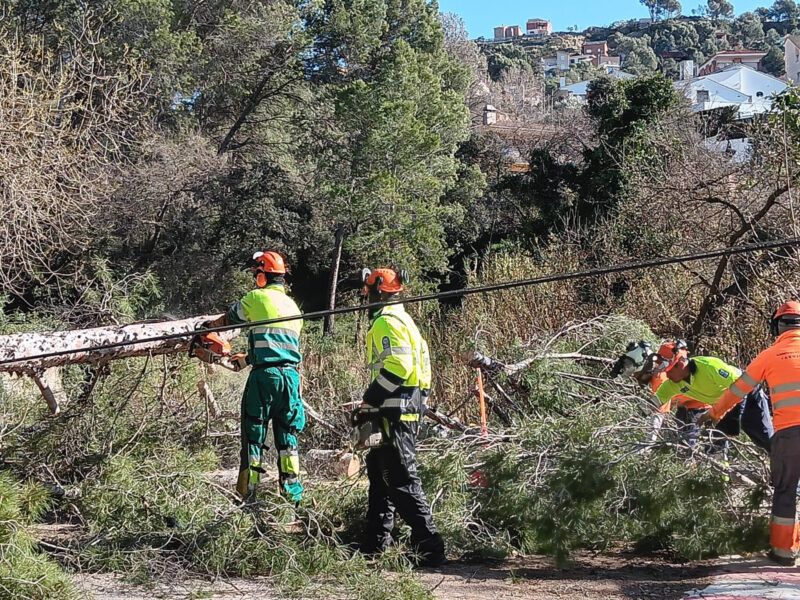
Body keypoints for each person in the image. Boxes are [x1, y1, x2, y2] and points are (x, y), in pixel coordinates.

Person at [351, 267, 446, 567]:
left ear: (378, 292)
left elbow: (399, 367)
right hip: (401, 409)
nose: (365, 302)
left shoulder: (386, 322)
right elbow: (425, 368)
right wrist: (419, 402)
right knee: (381, 480)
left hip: (395, 411)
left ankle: (430, 548)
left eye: (368, 295)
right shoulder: (406, 321)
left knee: (403, 480)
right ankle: (375, 544)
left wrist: (370, 399)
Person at [699, 301, 800, 566]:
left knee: (786, 491)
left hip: (788, 435)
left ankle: (783, 552)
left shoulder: (769, 355)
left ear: (777, 326)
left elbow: (738, 389)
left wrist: (714, 414)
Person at [206, 251, 305, 503]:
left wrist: (207, 331)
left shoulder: (256, 297)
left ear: (262, 276)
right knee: (288, 437)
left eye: (256, 274)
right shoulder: (294, 307)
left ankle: (247, 497)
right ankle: (293, 499)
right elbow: (279, 346)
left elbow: (230, 318)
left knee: (254, 433)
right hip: (291, 378)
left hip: (265, 377)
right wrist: (248, 358)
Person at [645, 344, 773, 453]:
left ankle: (786, 466)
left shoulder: (710, 366)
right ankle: (719, 477)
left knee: (764, 437)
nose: (667, 374)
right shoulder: (672, 384)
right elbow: (653, 403)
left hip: (747, 391)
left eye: (669, 370)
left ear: (681, 363)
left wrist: (723, 417)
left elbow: (739, 387)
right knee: (714, 444)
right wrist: (640, 412)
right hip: (724, 404)